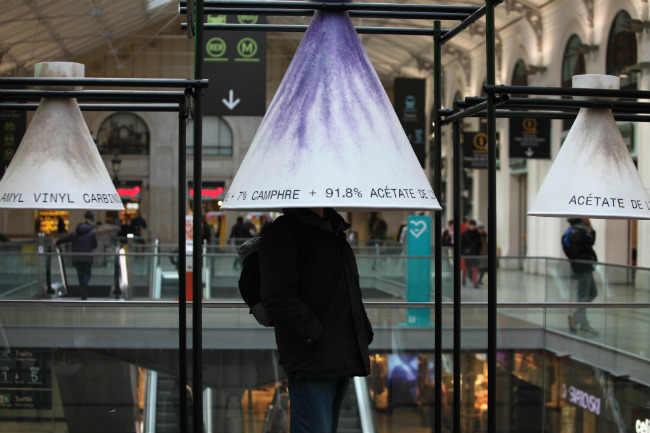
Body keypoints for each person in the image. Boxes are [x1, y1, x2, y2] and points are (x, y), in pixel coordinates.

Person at [259, 208, 373, 433]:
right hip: (312, 359)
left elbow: (348, 291)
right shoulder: (286, 232)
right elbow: (278, 296)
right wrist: (315, 334)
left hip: (339, 354)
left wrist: (362, 330)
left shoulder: (333, 231)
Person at [564, 218, 598, 335]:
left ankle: (577, 316)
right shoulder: (577, 231)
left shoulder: (581, 230)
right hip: (582, 267)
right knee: (583, 296)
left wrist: (590, 231)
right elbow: (576, 251)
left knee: (593, 293)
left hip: (586, 267)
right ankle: (584, 326)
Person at [56, 211, 98, 300]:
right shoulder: (91, 233)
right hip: (87, 257)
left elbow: (65, 239)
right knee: (87, 273)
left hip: (76, 257)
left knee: (80, 274)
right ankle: (84, 287)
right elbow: (95, 245)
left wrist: (57, 242)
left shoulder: (75, 232)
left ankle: (82, 288)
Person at [461, 219, 482, 288]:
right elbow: (461, 244)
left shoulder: (477, 235)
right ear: (469, 225)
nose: (472, 226)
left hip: (475, 254)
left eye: (473, 225)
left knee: (475, 268)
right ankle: (463, 280)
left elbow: (479, 245)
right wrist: (463, 253)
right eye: (471, 225)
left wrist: (478, 252)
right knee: (465, 269)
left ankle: (475, 282)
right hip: (466, 254)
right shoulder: (464, 234)